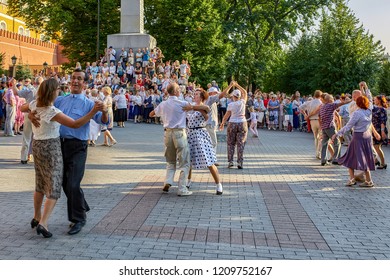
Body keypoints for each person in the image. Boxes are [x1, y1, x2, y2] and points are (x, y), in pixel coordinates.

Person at [29, 69, 109, 235]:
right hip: (58, 146)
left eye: (79, 79)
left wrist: (105, 111)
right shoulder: (60, 100)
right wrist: (31, 114)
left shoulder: (89, 103)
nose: (75, 81)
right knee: (63, 183)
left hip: (78, 146)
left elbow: (103, 121)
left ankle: (78, 218)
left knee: (72, 183)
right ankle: (81, 207)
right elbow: (41, 107)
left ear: (85, 83)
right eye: (73, 78)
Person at [149, 83, 208, 196]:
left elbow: (151, 114)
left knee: (170, 161)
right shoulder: (182, 103)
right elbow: (202, 109)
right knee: (184, 162)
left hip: (167, 133)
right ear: (176, 92)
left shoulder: (164, 103)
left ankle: (168, 181)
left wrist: (163, 114)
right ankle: (182, 188)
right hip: (180, 133)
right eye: (179, 89)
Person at [332, 96, 379, 188]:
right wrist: (364, 88)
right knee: (365, 157)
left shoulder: (357, 113)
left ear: (357, 103)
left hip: (358, 136)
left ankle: (353, 179)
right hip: (367, 136)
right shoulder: (369, 111)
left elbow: (348, 126)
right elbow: (369, 99)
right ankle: (368, 180)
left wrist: (337, 134)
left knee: (350, 157)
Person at [184, 88, 223, 195]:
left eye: (196, 94)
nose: (194, 96)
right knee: (189, 160)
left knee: (209, 160)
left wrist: (192, 107)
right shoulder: (190, 105)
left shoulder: (204, 105)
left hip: (200, 133)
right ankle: (188, 181)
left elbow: (206, 112)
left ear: (201, 96)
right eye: (194, 94)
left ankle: (218, 184)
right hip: (190, 134)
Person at [219, 81, 248, 169]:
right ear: (239, 96)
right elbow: (245, 92)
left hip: (232, 123)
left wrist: (222, 123)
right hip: (242, 122)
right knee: (241, 143)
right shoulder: (243, 102)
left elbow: (226, 115)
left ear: (233, 96)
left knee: (230, 143)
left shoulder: (231, 104)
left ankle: (230, 161)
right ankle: (240, 162)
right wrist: (237, 85)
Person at [318, 93, 350, 166]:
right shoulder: (331, 105)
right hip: (330, 127)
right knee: (337, 142)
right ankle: (336, 159)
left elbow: (319, 117)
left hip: (324, 127)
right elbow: (342, 103)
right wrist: (351, 100)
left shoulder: (322, 107)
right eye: (332, 99)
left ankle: (323, 160)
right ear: (329, 100)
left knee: (324, 143)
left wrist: (321, 126)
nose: (333, 100)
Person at [299, 90, 323, 159]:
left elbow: (300, 107)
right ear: (320, 96)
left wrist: (305, 114)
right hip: (320, 120)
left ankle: (316, 152)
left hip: (312, 120)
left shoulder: (309, 102)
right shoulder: (321, 103)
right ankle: (319, 153)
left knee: (316, 137)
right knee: (320, 137)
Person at [372, 95, 388, 169]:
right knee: (375, 147)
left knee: (377, 147)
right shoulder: (374, 108)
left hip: (379, 130)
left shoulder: (382, 109)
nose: (374, 100)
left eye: (375, 99)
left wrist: (382, 131)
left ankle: (383, 163)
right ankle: (376, 161)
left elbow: (382, 121)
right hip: (374, 130)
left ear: (379, 100)